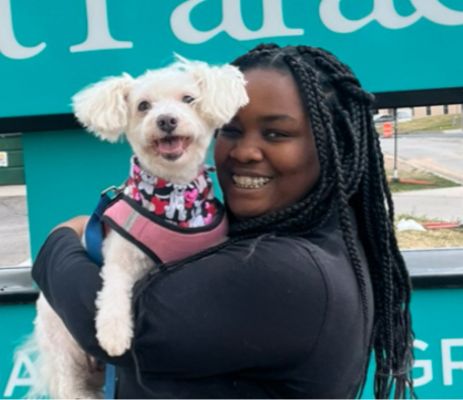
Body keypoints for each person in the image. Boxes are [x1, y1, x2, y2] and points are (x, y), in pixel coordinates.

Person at [32, 44, 414, 399]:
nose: (245, 151)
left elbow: (109, 331)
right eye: (230, 130)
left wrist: (61, 237)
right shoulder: (305, 234)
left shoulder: (284, 270)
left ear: (336, 145)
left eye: (277, 133)